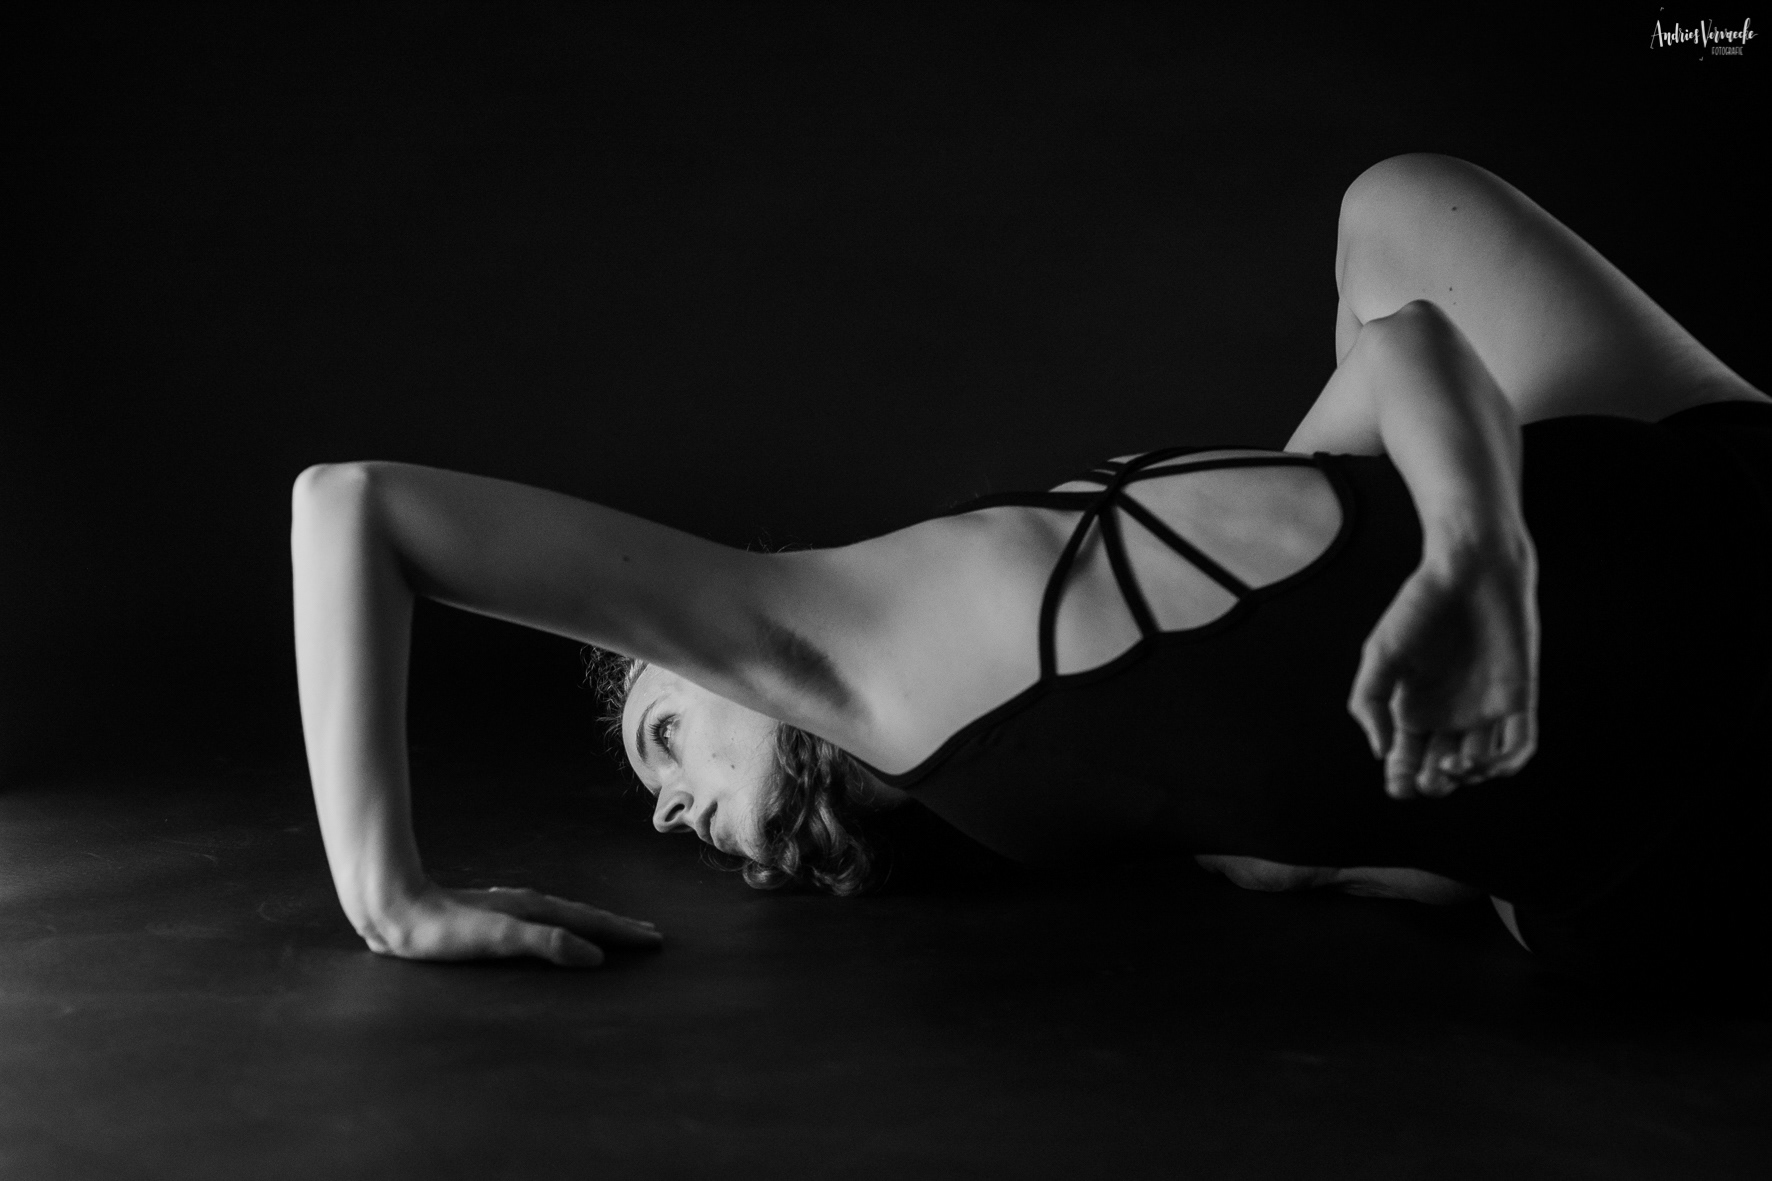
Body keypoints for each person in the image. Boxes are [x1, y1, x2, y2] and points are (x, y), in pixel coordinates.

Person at [291, 154, 1770, 975]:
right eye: (667, 805)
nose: (673, 804)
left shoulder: (842, 647)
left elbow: (354, 507)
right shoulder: (1023, 801)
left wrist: (387, 895)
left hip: (1661, 611)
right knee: (1389, 215)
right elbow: (1399, 364)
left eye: (664, 731)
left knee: (1392, 217)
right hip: (1651, 778)